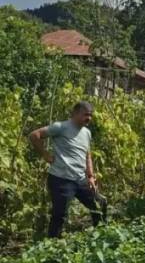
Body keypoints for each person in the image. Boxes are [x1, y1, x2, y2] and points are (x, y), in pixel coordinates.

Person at [28, 101, 102, 238]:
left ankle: (101, 235)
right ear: (75, 113)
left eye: (91, 115)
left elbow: (87, 155)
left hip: (80, 179)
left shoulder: (87, 133)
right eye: (86, 114)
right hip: (61, 179)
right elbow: (34, 135)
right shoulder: (60, 127)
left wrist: (90, 176)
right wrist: (45, 154)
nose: (89, 118)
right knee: (59, 215)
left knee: (99, 204)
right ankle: (53, 246)